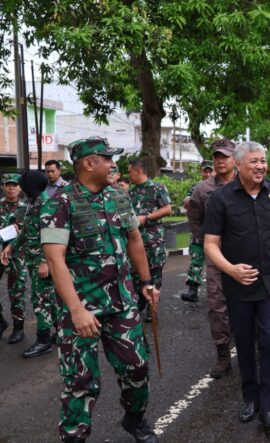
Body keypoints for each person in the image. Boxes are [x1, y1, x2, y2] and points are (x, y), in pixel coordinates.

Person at [40, 137, 160, 442]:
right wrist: (77, 310)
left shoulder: (120, 197)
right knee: (81, 381)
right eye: (107, 158)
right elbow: (55, 260)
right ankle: (74, 437)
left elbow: (134, 239)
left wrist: (146, 283)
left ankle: (134, 419)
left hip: (122, 303)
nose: (113, 164)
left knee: (137, 368)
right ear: (88, 163)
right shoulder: (59, 203)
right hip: (80, 310)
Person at [203, 141, 270, 435]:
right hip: (238, 284)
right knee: (244, 340)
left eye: (262, 161)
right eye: (254, 161)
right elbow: (210, 244)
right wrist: (231, 270)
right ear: (238, 165)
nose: (260, 167)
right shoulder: (221, 199)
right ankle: (250, 397)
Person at [186, 139, 237, 378]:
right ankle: (223, 355)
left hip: (244, 253)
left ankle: (253, 343)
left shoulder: (246, 183)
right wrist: (207, 242)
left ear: (234, 159)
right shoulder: (203, 189)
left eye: (225, 156)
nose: (220, 160)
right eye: (217, 156)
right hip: (216, 255)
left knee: (248, 300)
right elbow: (194, 217)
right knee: (217, 305)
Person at [1, 171, 57, 358]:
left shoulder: (46, 204)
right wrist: (11, 246)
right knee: (47, 297)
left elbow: (52, 234)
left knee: (40, 300)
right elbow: (26, 230)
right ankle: (58, 333)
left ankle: (43, 340)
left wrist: (44, 261)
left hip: (43, 261)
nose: (19, 188)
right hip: (32, 259)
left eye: (22, 185)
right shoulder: (33, 202)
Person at [128, 159, 172, 322]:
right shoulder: (130, 193)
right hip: (134, 240)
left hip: (153, 240)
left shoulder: (157, 188)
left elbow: (167, 209)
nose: (128, 175)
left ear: (139, 171)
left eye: (130, 172)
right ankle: (141, 300)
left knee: (155, 273)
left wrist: (146, 218)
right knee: (136, 272)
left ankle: (152, 306)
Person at [181, 159, 215, 302]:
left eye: (210, 170)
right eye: (205, 170)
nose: (207, 173)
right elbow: (186, 202)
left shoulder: (222, 186)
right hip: (199, 230)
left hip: (217, 230)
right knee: (196, 259)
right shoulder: (196, 187)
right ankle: (193, 290)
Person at [0, 173, 28, 344]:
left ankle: (18, 328)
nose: (11, 188)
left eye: (15, 185)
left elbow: (28, 232)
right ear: (3, 186)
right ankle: (1, 321)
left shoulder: (26, 207)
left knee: (17, 291)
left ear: (20, 188)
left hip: (17, 255)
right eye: (8, 185)